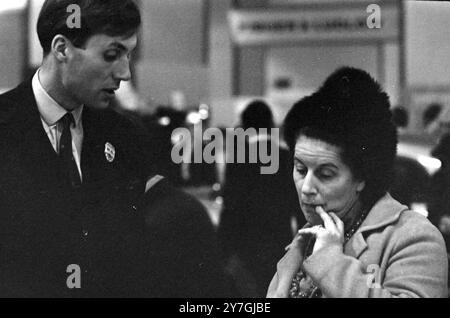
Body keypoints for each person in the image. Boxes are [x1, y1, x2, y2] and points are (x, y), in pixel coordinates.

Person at [0, 0, 230, 298]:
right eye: (111, 55)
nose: (125, 73)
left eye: (129, 55)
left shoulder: (126, 135)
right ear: (61, 49)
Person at [267, 67, 448, 298]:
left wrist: (330, 262)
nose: (307, 187)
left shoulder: (413, 237)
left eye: (325, 174)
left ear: (362, 177)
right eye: (301, 169)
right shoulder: (305, 240)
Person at [217, 100, 304, 297]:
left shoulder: (238, 158)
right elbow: (299, 206)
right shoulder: (287, 157)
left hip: (246, 245)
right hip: (279, 241)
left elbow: (231, 207)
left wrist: (222, 250)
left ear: (245, 127)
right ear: (271, 124)